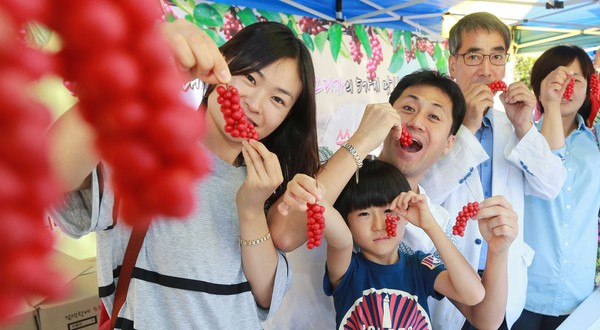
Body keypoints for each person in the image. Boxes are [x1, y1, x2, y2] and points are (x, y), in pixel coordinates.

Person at [48, 19, 319, 329]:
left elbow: (266, 296)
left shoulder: (269, 183)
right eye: (249, 77)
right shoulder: (145, 149)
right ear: (220, 64)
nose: (254, 104)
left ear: (288, 117)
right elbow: (50, 172)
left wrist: (252, 208)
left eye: (278, 99)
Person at [270, 69, 519, 329]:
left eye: (434, 116)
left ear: (449, 143)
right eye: (408, 108)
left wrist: (498, 251)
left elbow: (484, 318)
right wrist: (363, 139)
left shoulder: (434, 224)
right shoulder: (333, 171)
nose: (416, 122)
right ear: (386, 116)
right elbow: (285, 235)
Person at [418, 12, 567, 329]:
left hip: (504, 281)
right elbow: (423, 193)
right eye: (474, 56)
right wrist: (468, 126)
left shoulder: (514, 126)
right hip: (446, 281)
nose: (486, 70)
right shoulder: (429, 123)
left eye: (496, 56)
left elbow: (552, 186)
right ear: (453, 63)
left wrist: (524, 125)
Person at [293, 159, 485, 328]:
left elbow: (473, 295)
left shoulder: (420, 267)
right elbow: (341, 240)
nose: (379, 225)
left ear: (404, 213)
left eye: (387, 211)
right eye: (364, 214)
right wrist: (314, 196)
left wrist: (429, 225)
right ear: (347, 222)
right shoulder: (349, 269)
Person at [511, 45, 600, 330]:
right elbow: (546, 168)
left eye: (577, 79)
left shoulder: (596, 141)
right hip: (526, 288)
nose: (567, 86)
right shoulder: (521, 138)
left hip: (579, 289)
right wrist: (550, 106)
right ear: (539, 86)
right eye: (558, 79)